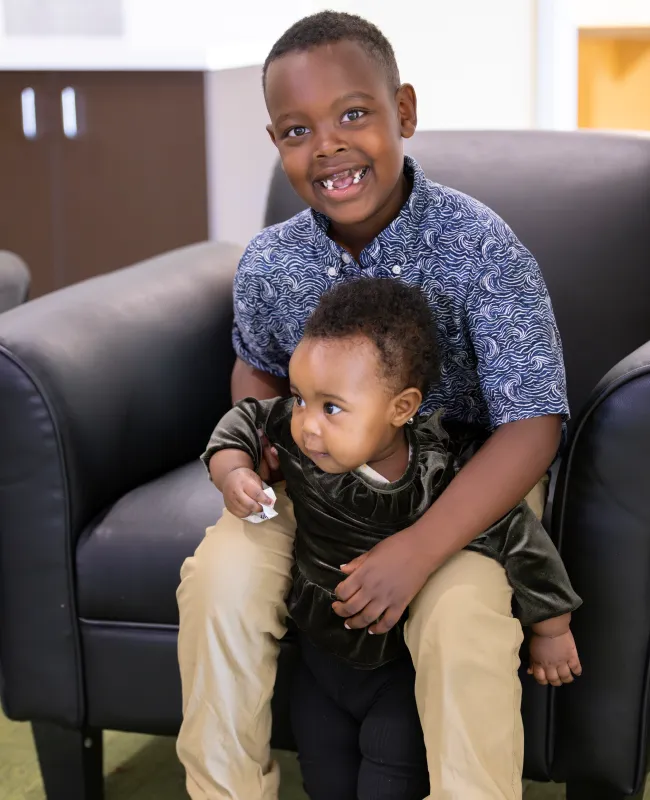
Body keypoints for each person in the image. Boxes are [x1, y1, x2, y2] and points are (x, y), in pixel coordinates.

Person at [176, 10, 572, 800]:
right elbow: (254, 372)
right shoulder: (271, 261)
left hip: (461, 483)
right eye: (297, 130)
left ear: (406, 113)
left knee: (461, 620)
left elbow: (533, 423)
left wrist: (420, 548)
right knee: (220, 578)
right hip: (319, 477)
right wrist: (256, 464)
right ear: (277, 142)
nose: (327, 145)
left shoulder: (483, 247)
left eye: (353, 114)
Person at [202, 278, 582, 800]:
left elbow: (521, 538)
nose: (307, 425)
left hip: (394, 678)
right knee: (325, 784)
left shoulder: (436, 474)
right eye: (299, 398)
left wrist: (552, 628)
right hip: (321, 665)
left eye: (331, 408)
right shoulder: (299, 442)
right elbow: (240, 425)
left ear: (402, 408)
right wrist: (234, 474)